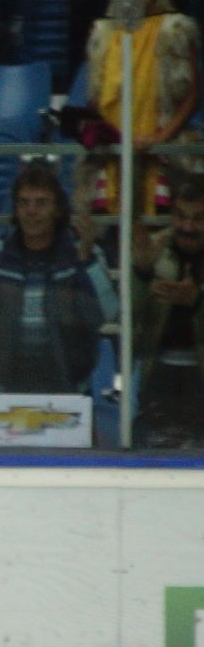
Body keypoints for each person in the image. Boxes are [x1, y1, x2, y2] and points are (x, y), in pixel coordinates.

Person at [0, 163, 114, 396]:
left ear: (58, 209)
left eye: (41, 203)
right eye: (23, 203)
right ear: (15, 209)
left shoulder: (84, 253)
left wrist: (84, 259)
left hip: (69, 389)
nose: (31, 211)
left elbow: (104, 314)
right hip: (7, 387)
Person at [74, 0, 199, 220]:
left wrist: (161, 137)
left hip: (157, 149)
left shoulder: (173, 30)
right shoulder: (105, 33)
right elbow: (95, 95)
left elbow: (192, 95)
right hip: (113, 151)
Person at [128, 173, 204, 446]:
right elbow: (126, 318)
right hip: (157, 373)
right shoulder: (154, 250)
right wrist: (142, 274)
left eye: (198, 218)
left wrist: (197, 301)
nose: (188, 226)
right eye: (181, 216)